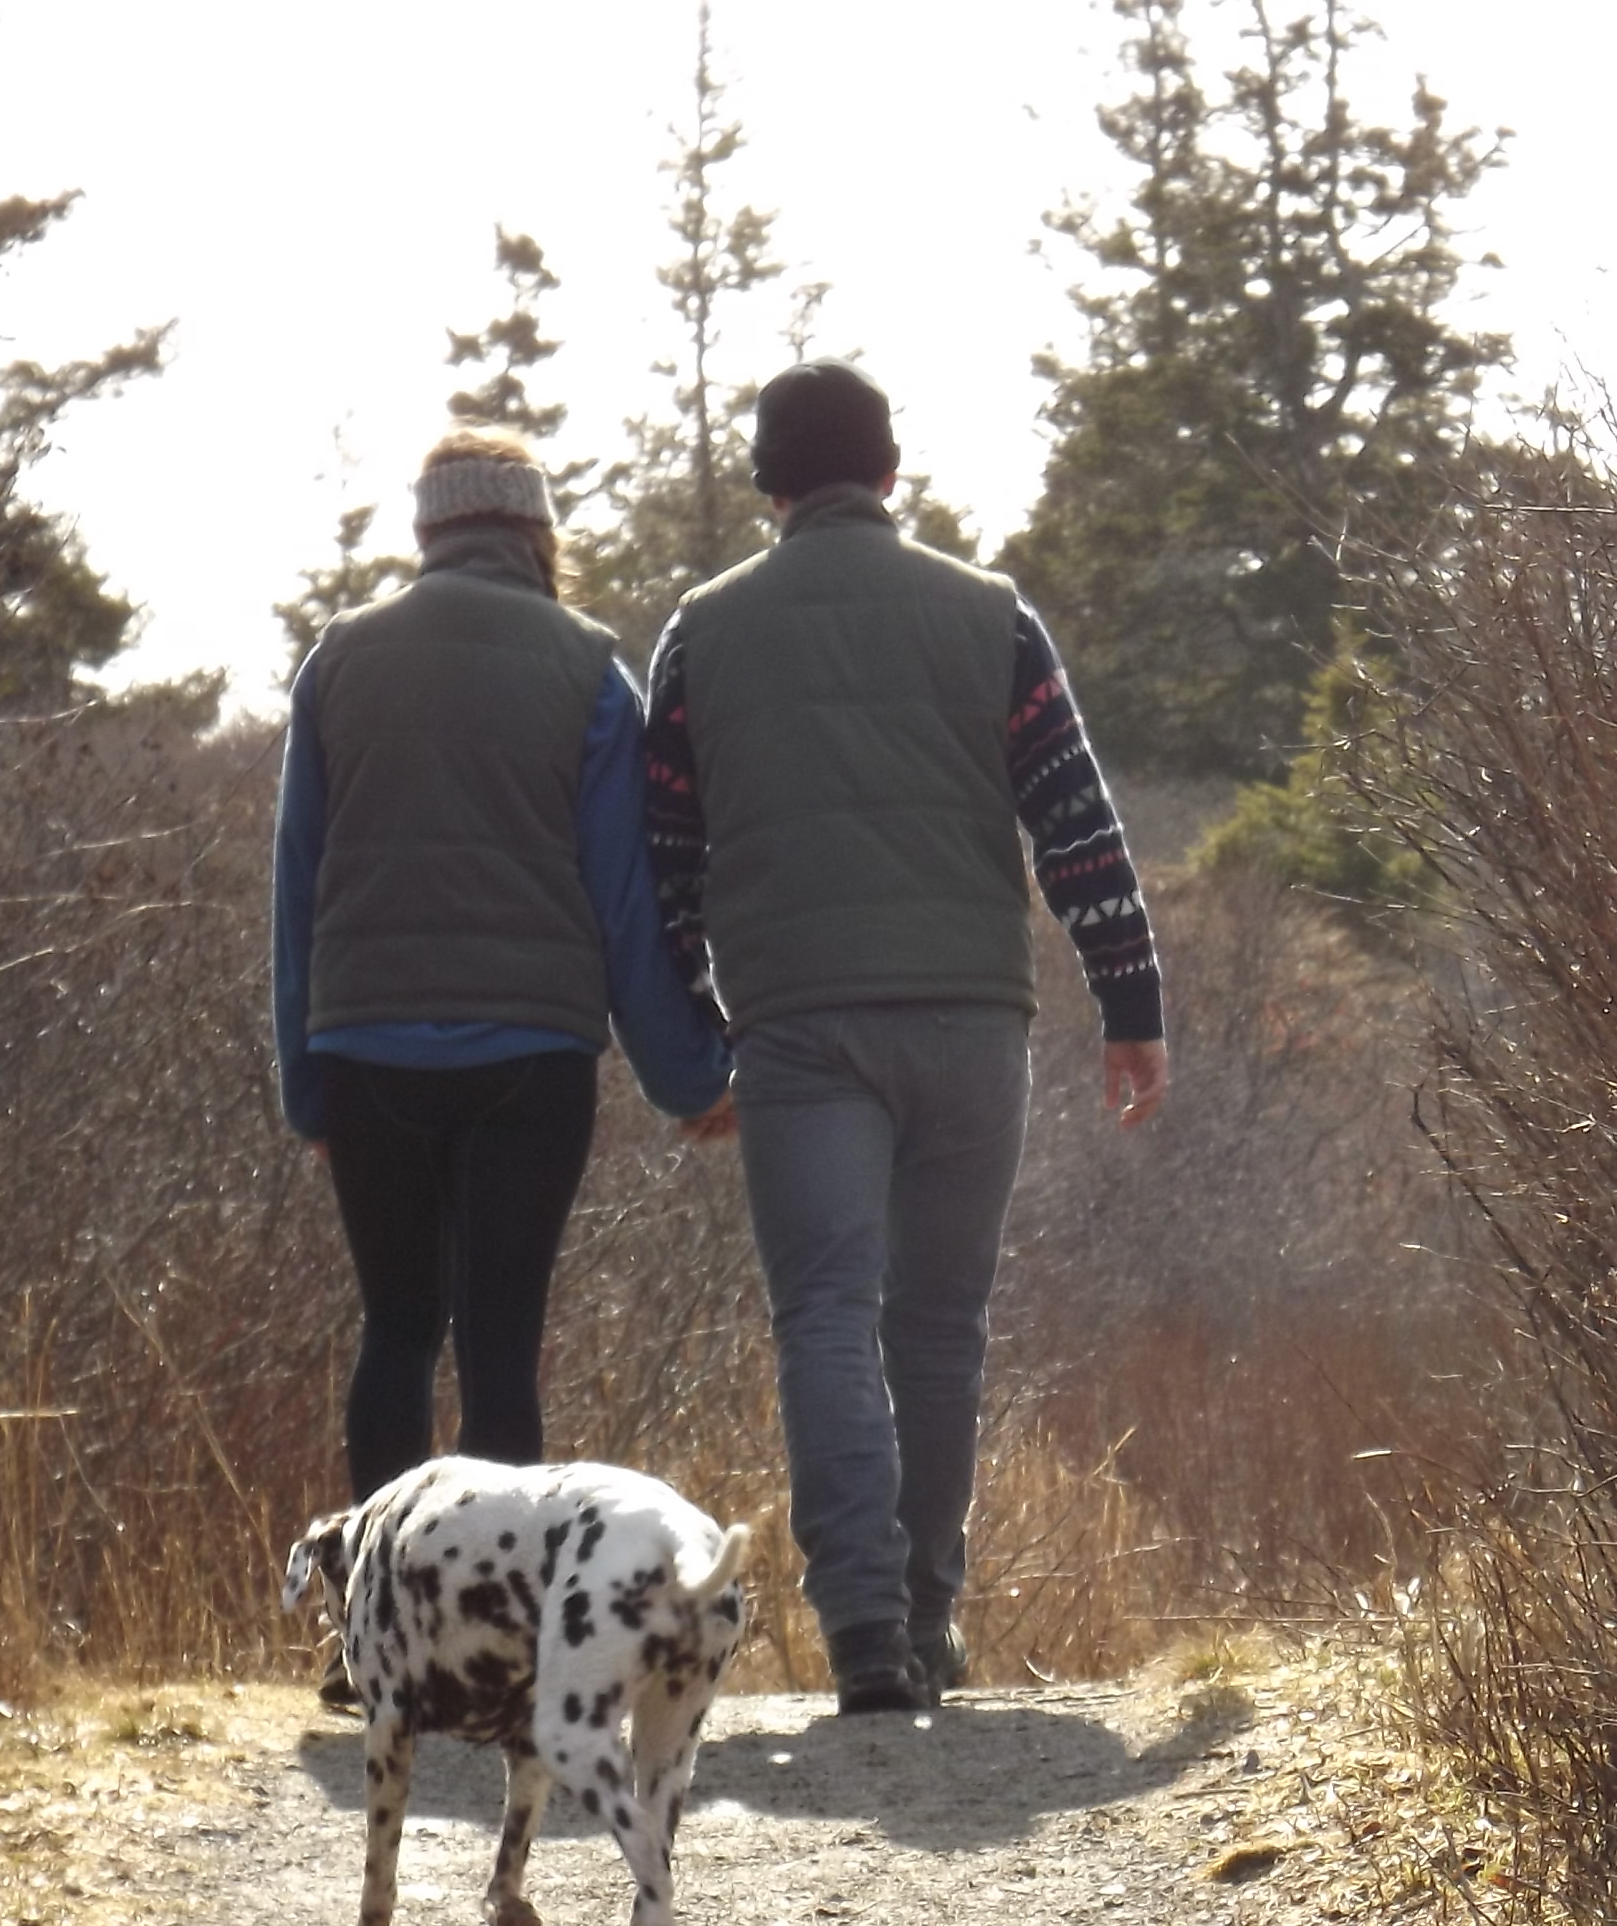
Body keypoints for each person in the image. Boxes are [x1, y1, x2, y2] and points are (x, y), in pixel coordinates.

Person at [643, 361, 1167, 1715]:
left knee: (825, 1311)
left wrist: (694, 1037)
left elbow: (664, 860)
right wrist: (1130, 1006)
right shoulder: (992, 615)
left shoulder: (702, 633)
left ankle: (864, 1631)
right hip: (970, 1018)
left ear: (768, 485)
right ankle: (930, 1617)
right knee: (938, 1325)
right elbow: (1075, 821)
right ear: (889, 472)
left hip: (799, 1025)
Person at [274, 430, 732, 1701]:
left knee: (396, 1329)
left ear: (427, 533)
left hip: (365, 1040)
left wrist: (305, 1081)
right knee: (499, 1347)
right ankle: (503, 1647)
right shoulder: (588, 669)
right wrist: (689, 1075)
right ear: (536, 533)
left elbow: (296, 884)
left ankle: (371, 1647)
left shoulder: (337, 661)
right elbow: (627, 900)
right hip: (532, 1051)